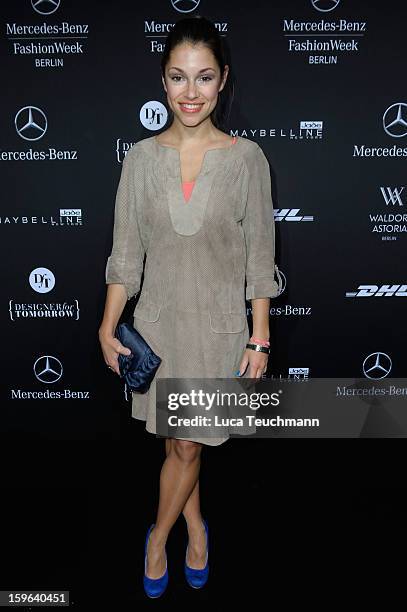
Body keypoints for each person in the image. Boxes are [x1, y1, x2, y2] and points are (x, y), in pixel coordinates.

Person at [98, 15, 282, 598]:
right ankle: (196, 527)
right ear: (163, 81)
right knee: (183, 439)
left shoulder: (247, 159)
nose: (191, 92)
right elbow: (125, 255)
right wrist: (108, 327)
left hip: (219, 328)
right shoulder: (139, 159)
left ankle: (159, 538)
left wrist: (259, 336)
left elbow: (260, 258)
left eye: (204, 78)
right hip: (157, 329)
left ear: (223, 80)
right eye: (178, 78)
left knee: (187, 441)